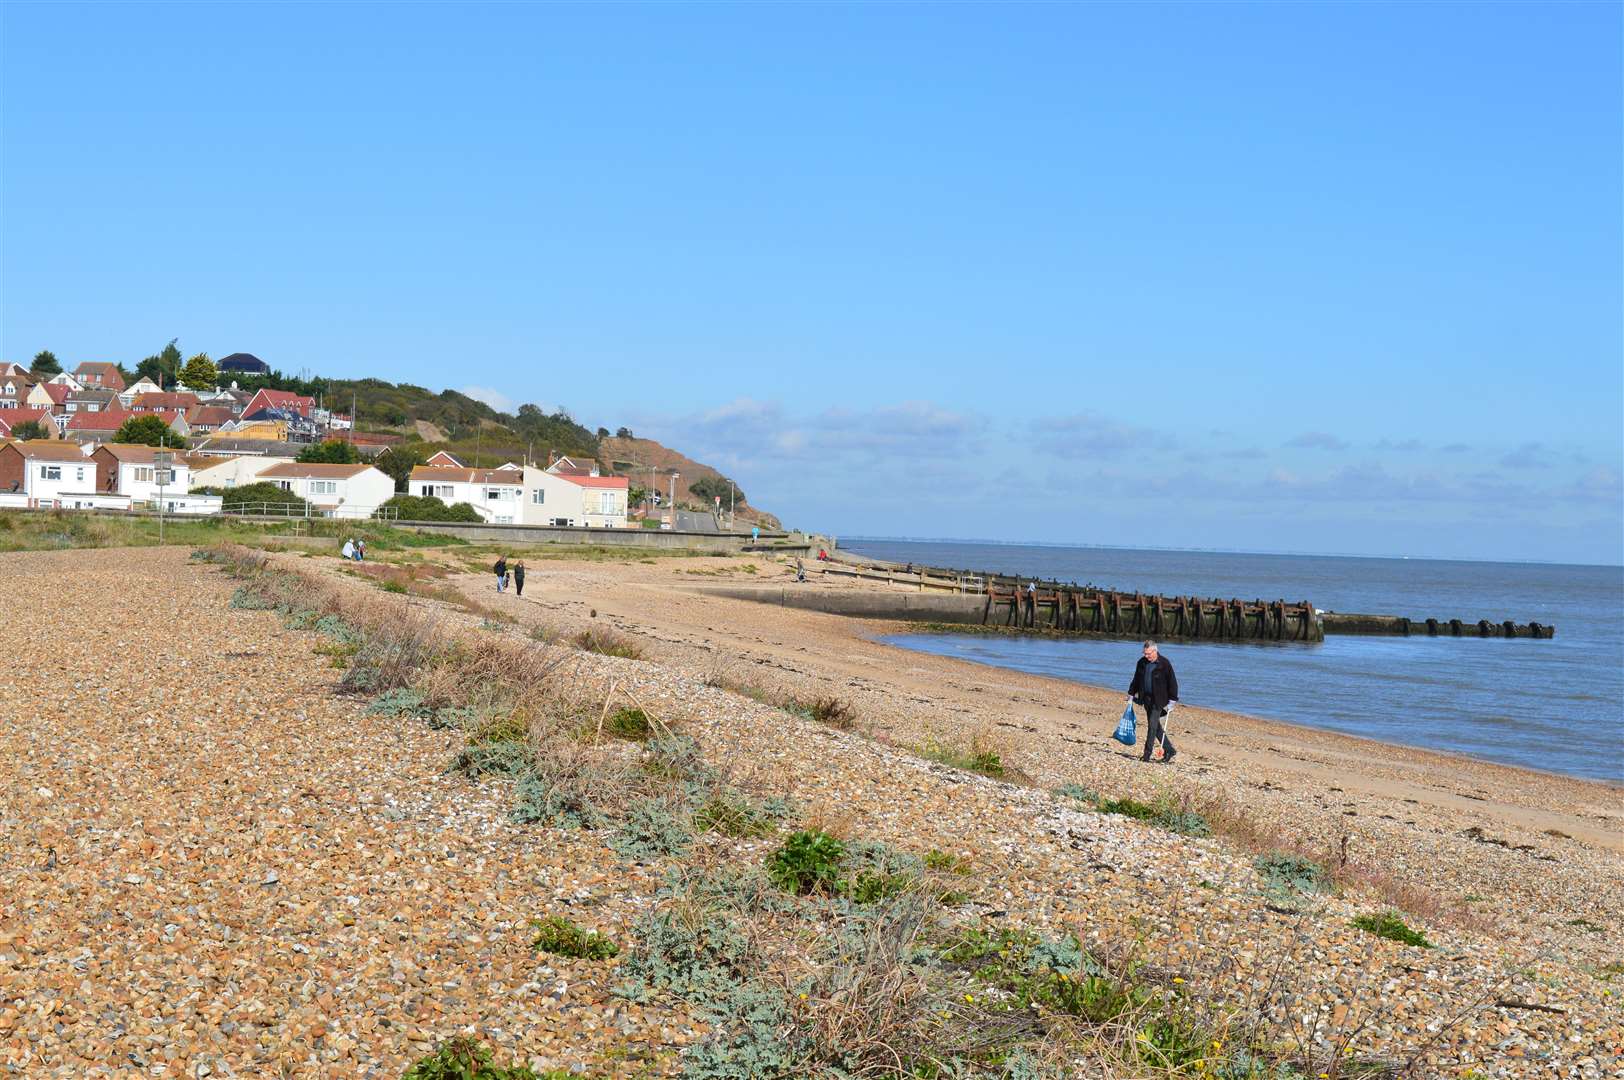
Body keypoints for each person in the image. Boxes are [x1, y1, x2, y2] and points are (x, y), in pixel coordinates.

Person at [1126, 639, 1178, 763]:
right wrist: (1131, 694)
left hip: (1159, 700)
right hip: (1146, 698)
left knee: (1152, 727)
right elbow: (1136, 679)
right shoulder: (1142, 663)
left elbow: (1172, 682)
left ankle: (1146, 755)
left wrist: (1173, 700)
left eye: (1148, 654)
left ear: (1155, 651)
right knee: (1156, 727)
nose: (1146, 656)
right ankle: (1170, 750)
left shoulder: (1164, 664)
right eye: (1144, 653)